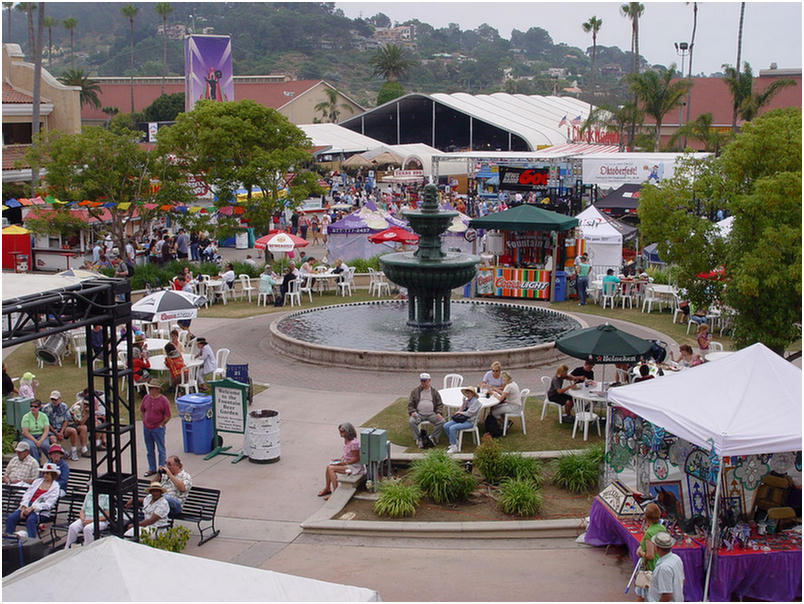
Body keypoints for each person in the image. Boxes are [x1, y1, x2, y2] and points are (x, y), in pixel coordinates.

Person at [4, 463, 60, 538]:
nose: (45, 475)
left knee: (31, 520)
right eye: (43, 473)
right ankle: (7, 538)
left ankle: (31, 541)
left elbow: (49, 504)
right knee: (11, 518)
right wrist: (23, 507)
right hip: (27, 506)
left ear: (53, 474)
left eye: (47, 473)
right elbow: (27, 494)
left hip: (40, 511)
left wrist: (33, 507)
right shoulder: (37, 481)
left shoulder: (55, 487)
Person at [318, 423, 363, 498]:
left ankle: (335, 493)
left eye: (342, 432)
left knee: (331, 468)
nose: (340, 434)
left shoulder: (354, 443)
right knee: (328, 466)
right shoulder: (346, 440)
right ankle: (327, 488)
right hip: (348, 464)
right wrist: (339, 460)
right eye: (340, 432)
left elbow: (356, 458)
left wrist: (344, 463)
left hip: (354, 467)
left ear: (348, 432)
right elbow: (347, 454)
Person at [634, 503, 667, 601]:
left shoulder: (649, 533)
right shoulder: (662, 528)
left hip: (651, 568)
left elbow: (650, 555)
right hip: (661, 564)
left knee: (642, 596)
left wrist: (640, 553)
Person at [140, 384, 171, 477]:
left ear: (157, 389)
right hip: (147, 427)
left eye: (151, 388)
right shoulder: (146, 398)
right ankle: (152, 468)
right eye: (148, 388)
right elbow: (142, 410)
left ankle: (161, 469)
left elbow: (168, 415)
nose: (149, 390)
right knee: (149, 449)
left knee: (161, 449)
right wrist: (144, 420)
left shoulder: (164, 401)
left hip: (157, 428)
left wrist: (161, 425)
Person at [407, 373, 445, 448]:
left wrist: (438, 413)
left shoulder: (434, 392)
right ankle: (419, 437)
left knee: (442, 421)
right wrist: (412, 412)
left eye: (425, 381)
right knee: (411, 422)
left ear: (429, 380)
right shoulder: (415, 391)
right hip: (419, 414)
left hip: (431, 414)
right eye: (422, 381)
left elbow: (440, 404)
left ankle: (432, 437)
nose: (423, 383)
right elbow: (410, 403)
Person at [647, 532, 685, 602]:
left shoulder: (664, 568)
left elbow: (667, 595)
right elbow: (682, 580)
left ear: (657, 548)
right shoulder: (676, 558)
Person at [42, 391, 79, 461]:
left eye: (55, 399)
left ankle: (74, 452)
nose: (54, 401)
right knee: (53, 439)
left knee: (73, 431)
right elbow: (46, 423)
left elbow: (66, 419)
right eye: (52, 399)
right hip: (51, 431)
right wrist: (56, 433)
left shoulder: (64, 406)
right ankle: (61, 453)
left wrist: (61, 432)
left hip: (61, 428)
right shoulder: (46, 408)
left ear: (59, 399)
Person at [444, 387, 483, 453]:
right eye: (466, 393)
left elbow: (469, 414)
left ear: (473, 394)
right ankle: (455, 442)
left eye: (469, 393)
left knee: (452, 428)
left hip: (470, 422)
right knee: (446, 425)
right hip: (463, 419)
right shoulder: (468, 401)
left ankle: (454, 447)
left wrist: (460, 412)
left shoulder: (476, 402)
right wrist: (464, 403)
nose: (467, 395)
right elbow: (461, 410)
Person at [20, 399, 50, 463]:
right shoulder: (26, 417)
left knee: (45, 445)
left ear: (39, 407)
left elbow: (46, 431)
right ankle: (36, 463)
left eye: (35, 406)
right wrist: (36, 442)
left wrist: (41, 440)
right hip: (29, 437)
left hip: (41, 435)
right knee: (31, 446)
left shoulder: (43, 416)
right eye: (31, 406)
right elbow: (25, 432)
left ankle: (52, 461)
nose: (33, 408)